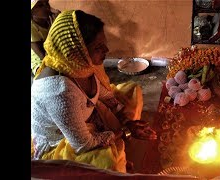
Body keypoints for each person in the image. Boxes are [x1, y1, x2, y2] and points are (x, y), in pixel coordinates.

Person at [31, 10, 157, 173]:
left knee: (132, 91)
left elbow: (105, 95)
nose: (106, 49)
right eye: (98, 47)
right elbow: (84, 144)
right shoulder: (59, 91)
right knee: (106, 161)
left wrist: (125, 119)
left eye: (103, 43)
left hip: (85, 113)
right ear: (75, 53)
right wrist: (125, 132)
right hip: (63, 142)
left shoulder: (78, 66)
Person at [31, 0, 60, 76]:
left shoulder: (49, 19)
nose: (46, 7)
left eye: (46, 3)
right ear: (32, 12)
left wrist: (60, 21)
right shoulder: (32, 27)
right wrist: (53, 29)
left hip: (54, 54)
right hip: (40, 63)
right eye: (40, 5)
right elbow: (43, 56)